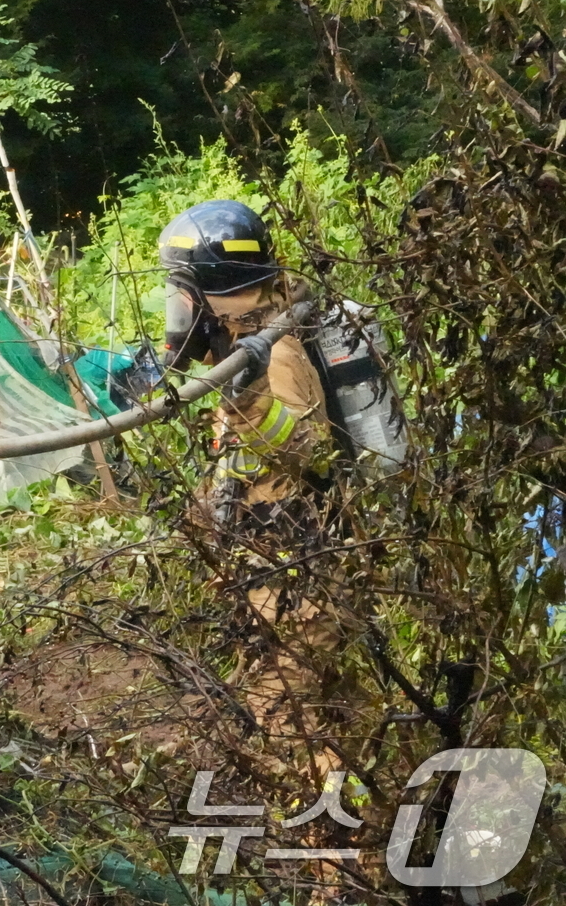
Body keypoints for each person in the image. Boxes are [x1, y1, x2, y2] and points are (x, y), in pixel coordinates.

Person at [160, 199, 343, 774]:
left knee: (287, 716)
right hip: (275, 564)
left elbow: (311, 452)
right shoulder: (247, 347)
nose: (175, 312)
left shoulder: (274, 356)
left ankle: (328, 826)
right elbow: (241, 465)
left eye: (180, 294)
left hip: (297, 572)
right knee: (330, 705)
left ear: (214, 294)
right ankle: (370, 793)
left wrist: (252, 404)